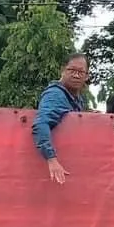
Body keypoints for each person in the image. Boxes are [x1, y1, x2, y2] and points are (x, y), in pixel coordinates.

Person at [32, 54, 91, 184]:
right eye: (72, 70)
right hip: (56, 169)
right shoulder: (56, 94)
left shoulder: (76, 98)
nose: (76, 75)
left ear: (86, 76)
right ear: (62, 70)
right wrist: (51, 159)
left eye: (81, 72)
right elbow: (41, 124)